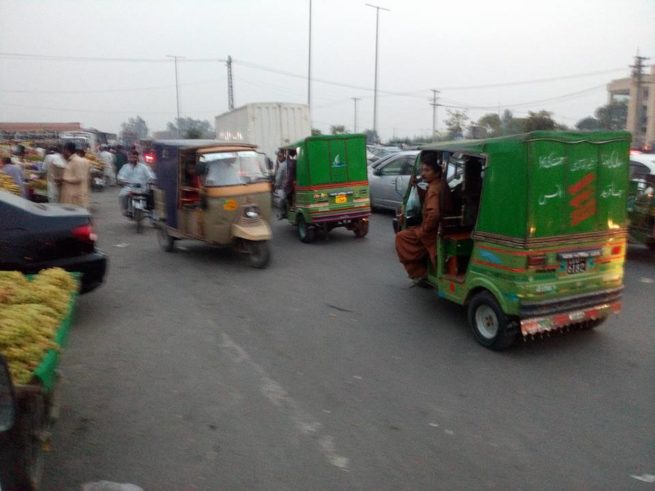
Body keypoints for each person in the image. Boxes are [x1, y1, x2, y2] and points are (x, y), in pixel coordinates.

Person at [395, 152, 443, 284]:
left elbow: (434, 214)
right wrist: (416, 187)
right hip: (437, 228)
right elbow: (428, 201)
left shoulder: (434, 189)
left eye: (427, 170)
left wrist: (423, 230)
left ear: (437, 172)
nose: (423, 173)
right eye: (422, 170)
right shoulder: (437, 185)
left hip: (432, 233)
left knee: (401, 237)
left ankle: (420, 273)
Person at [117, 150, 155, 215]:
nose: (133, 159)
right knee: (122, 195)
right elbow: (120, 176)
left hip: (142, 188)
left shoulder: (144, 167)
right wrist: (122, 180)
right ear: (129, 158)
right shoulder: (125, 167)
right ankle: (126, 210)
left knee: (151, 195)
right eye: (132, 157)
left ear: (138, 158)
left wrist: (151, 180)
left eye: (135, 157)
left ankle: (151, 213)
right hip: (129, 187)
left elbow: (150, 176)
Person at [59, 142, 91, 208]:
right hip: (79, 194)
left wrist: (63, 179)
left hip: (74, 197)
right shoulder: (82, 160)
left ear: (66, 150)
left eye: (63, 150)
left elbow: (79, 178)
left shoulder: (76, 161)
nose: (62, 153)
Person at [273, 149, 288, 216]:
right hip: (288, 185)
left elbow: (278, 178)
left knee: (280, 198)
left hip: (284, 187)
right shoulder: (289, 162)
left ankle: (281, 212)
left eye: (280, 156)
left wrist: (276, 185)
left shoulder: (282, 165)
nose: (279, 158)